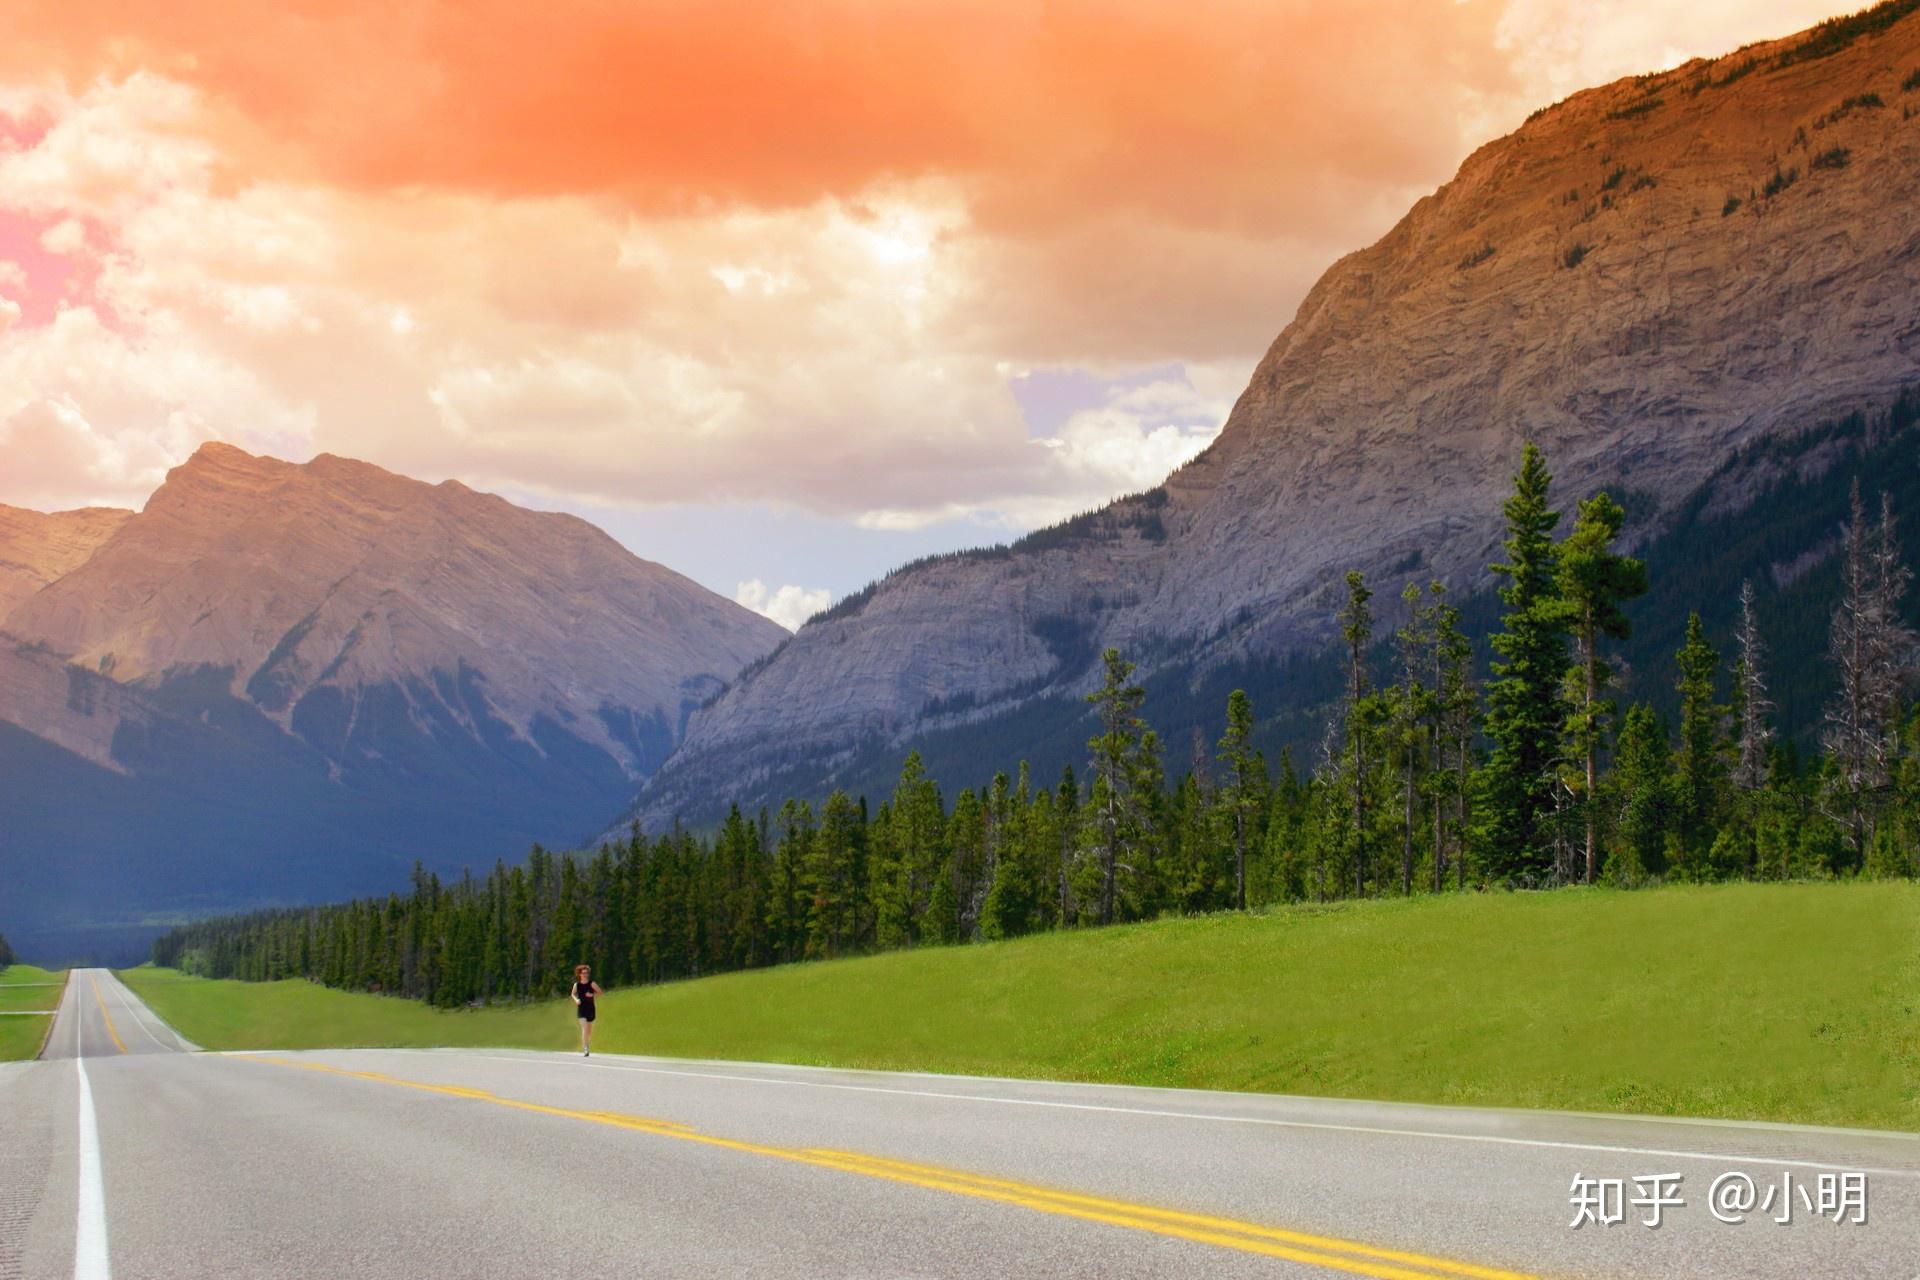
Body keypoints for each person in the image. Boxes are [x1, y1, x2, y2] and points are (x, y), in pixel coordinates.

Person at [571, 964, 602, 1056]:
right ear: (579, 974)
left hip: (590, 1009)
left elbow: (600, 992)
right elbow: (572, 994)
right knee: (584, 1028)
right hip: (581, 1009)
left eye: (586, 973)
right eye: (583, 973)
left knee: (588, 1030)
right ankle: (586, 1048)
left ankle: (586, 1043)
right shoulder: (577, 985)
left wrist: (592, 995)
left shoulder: (592, 983)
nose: (585, 974)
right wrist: (576, 1000)